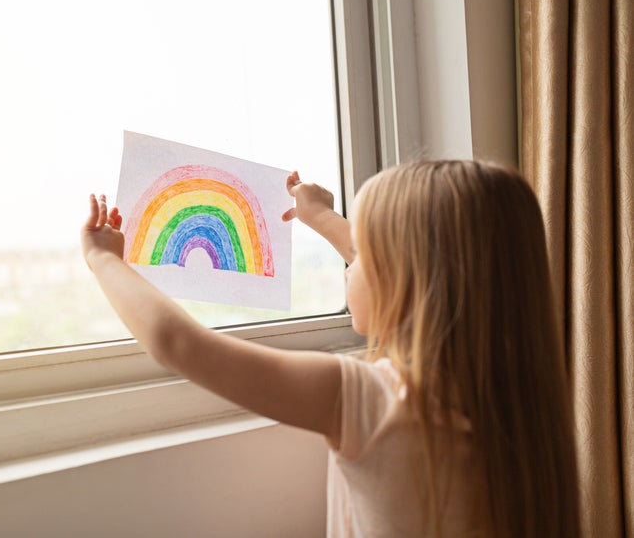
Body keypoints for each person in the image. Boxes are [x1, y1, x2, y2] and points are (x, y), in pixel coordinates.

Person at [80, 160, 580, 537]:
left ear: (405, 283)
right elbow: (408, 267)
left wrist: (104, 261)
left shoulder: (371, 402)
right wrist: (322, 217)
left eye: (359, 256)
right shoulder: (520, 410)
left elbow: (180, 345)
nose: (349, 265)